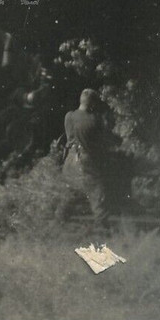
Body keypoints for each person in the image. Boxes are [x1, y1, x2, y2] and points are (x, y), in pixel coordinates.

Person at [62, 88, 120, 222]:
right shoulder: (94, 120)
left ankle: (59, 222)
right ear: (93, 103)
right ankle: (103, 228)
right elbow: (102, 141)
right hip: (86, 160)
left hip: (70, 158)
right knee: (97, 192)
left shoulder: (69, 116)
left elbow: (70, 137)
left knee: (68, 192)